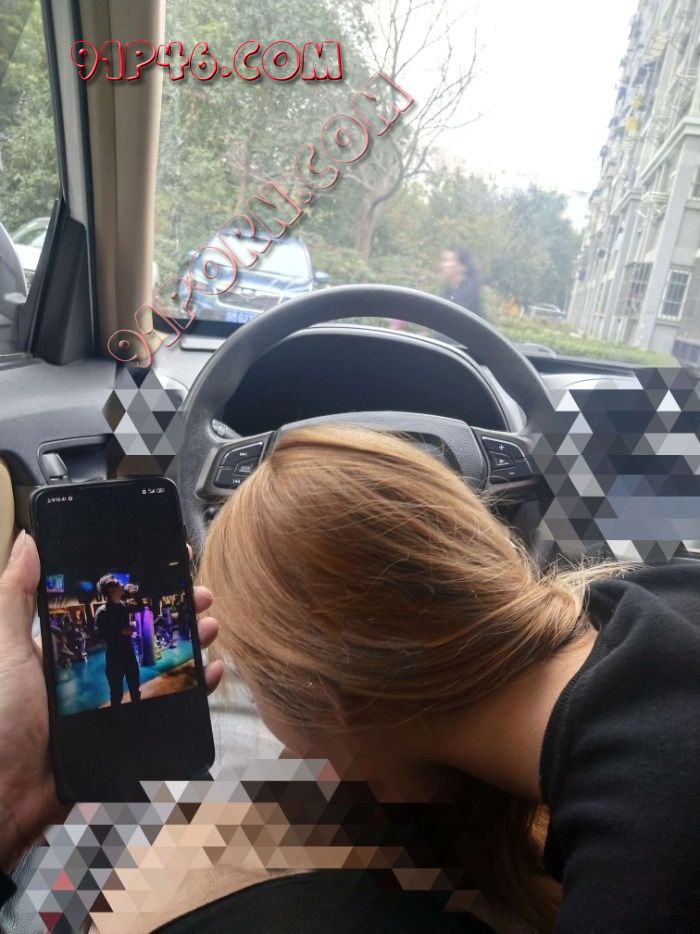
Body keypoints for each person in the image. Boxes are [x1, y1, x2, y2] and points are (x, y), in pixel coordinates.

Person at [1, 428, 699, 930]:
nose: (288, 750)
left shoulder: (646, 881)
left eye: (260, 694)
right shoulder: (659, 593)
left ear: (330, 700)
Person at [94, 575, 142, 706]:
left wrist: (135, 593)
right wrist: (120, 630)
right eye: (117, 582)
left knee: (135, 689)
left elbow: (140, 608)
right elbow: (97, 633)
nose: (121, 583)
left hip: (129, 655)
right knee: (116, 694)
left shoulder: (124, 605)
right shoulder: (102, 612)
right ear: (111, 590)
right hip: (114, 658)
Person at [439, 247, 485, 319]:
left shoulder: (468, 293)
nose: (442, 265)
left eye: (447, 260)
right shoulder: (449, 291)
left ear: (462, 266)